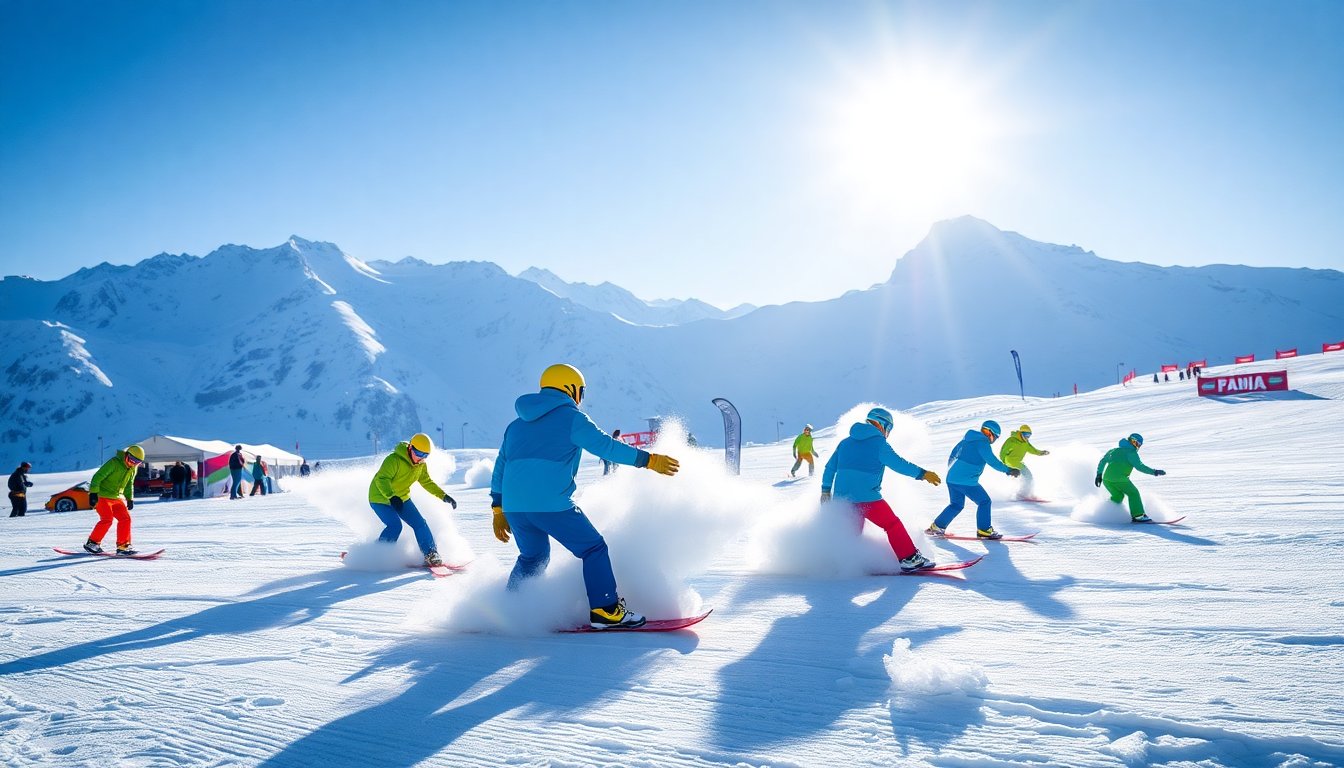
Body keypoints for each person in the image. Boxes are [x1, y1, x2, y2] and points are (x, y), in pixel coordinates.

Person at [490, 363, 680, 629]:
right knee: (593, 548)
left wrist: (498, 508)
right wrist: (647, 460)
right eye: (581, 390)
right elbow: (606, 446)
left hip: (514, 507)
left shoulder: (516, 425)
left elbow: (501, 465)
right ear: (571, 389)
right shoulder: (572, 418)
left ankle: (510, 609)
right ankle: (605, 610)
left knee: (533, 557)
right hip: (550, 504)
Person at [819, 408, 941, 571]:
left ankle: (839, 563)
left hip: (843, 499)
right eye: (889, 429)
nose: (888, 433)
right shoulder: (879, 444)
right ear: (882, 424)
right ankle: (909, 559)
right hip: (867, 498)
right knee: (892, 524)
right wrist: (922, 473)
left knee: (851, 534)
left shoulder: (845, 443)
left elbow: (829, 468)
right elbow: (899, 464)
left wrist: (825, 491)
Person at [368, 432, 458, 566]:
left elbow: (427, 482)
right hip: (380, 498)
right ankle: (377, 555)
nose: (421, 458)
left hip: (401, 497)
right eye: (419, 453)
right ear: (410, 448)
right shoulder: (393, 460)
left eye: (425, 456)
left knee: (420, 523)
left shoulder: (421, 466)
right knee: (395, 526)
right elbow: (382, 479)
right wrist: (391, 496)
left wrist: (443, 496)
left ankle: (430, 554)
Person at [926, 420, 1020, 540]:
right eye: (994, 437)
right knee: (984, 501)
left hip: (952, 478)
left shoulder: (967, 439)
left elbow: (953, 455)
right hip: (966, 480)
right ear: (991, 434)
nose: (992, 439)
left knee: (956, 505)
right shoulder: (983, 443)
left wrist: (954, 471)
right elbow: (992, 461)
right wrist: (1008, 470)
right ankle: (984, 530)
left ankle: (937, 527)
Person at [83, 445, 144, 555]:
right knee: (107, 519)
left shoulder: (132, 469)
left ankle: (123, 546)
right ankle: (92, 543)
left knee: (125, 519)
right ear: (127, 455)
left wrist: (130, 498)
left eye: (137, 462)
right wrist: (93, 494)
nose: (133, 463)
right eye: (131, 460)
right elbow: (98, 477)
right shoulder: (114, 463)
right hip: (102, 495)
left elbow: (129, 484)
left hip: (116, 497)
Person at [1095, 433, 1166, 522]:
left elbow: (1103, 461)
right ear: (1130, 441)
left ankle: (1105, 512)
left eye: (1138, 444)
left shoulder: (1113, 451)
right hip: (1120, 479)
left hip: (1106, 479)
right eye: (1135, 443)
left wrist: (1099, 475)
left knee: (1118, 496)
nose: (1136, 446)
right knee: (1133, 493)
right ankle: (1138, 516)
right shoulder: (1131, 453)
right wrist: (1154, 472)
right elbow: (1140, 467)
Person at [999, 425, 1050, 500]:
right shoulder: (1011, 440)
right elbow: (1002, 453)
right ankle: (1023, 494)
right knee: (1028, 476)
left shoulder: (1025, 443)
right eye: (1026, 435)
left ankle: (1021, 493)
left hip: (1018, 463)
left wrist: (1041, 453)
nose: (1027, 437)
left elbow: (1033, 450)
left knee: (1021, 477)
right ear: (1021, 433)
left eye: (1029, 435)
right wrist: (1005, 464)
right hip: (1010, 462)